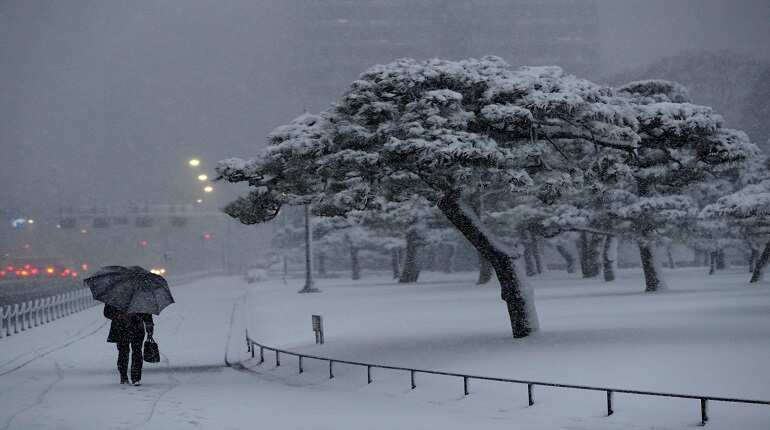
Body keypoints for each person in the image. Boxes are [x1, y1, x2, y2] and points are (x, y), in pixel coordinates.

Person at [103, 304, 154, 385]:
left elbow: (147, 315)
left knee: (136, 352)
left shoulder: (118, 296)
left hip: (136, 328)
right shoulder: (139, 296)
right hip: (121, 328)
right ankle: (124, 376)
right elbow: (107, 312)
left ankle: (135, 378)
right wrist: (118, 316)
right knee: (123, 352)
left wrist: (149, 328)